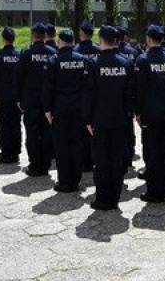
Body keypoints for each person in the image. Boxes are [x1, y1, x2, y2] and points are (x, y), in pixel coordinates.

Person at [83, 26, 134, 211]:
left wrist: (87, 119)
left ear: (101, 40)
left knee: (102, 160)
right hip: (121, 120)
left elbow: (89, 94)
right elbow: (130, 94)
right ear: (116, 41)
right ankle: (114, 197)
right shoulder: (126, 63)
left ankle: (103, 199)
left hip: (100, 121)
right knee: (117, 159)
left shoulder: (94, 63)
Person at [132, 25, 165, 203]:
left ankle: (154, 192)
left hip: (151, 114)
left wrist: (137, 111)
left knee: (152, 153)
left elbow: (139, 89)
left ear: (148, 39)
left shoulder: (143, 61)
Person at [43, 29, 90, 193]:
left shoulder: (54, 60)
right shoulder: (82, 60)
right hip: (78, 109)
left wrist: (47, 108)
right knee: (77, 144)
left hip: (60, 109)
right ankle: (75, 180)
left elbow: (48, 87)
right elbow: (87, 86)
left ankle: (64, 181)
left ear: (59, 41)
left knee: (62, 145)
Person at [19, 23, 56, 176]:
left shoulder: (26, 53)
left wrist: (19, 99)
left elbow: (19, 78)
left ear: (33, 35)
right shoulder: (53, 53)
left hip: (32, 101)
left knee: (33, 133)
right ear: (45, 35)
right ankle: (45, 164)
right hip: (49, 102)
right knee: (47, 133)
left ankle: (35, 165)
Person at [0, 27, 24, 164]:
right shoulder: (19, 55)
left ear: (3, 39)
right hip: (16, 97)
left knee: (3, 126)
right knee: (16, 125)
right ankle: (15, 153)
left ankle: (6, 153)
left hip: (2, 97)